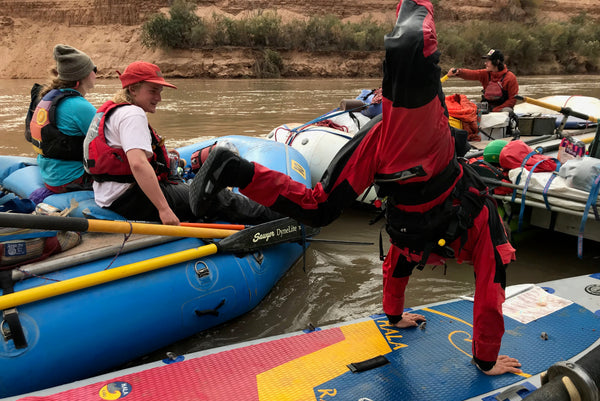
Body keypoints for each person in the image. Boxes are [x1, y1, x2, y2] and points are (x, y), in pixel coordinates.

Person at [189, 0, 522, 376]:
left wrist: (394, 316)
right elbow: (490, 289)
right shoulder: (481, 218)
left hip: (384, 142)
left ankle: (235, 170)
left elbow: (398, 259)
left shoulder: (412, 233)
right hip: (424, 152)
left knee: (319, 207)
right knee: (411, 53)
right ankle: (417, 9)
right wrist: (486, 360)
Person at [83, 61, 279, 226]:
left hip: (110, 197)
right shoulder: (132, 114)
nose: (158, 98)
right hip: (131, 199)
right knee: (215, 196)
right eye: (153, 91)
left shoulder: (114, 110)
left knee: (189, 187)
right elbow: (137, 164)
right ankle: (278, 219)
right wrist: (164, 209)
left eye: (159, 91)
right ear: (133, 89)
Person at [27, 44, 97, 194]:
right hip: (70, 180)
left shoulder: (47, 97)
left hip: (51, 176)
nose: (95, 72)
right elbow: (109, 141)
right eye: (93, 69)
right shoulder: (79, 106)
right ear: (80, 77)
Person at [447, 49, 519, 113]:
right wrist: (458, 72)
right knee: (468, 107)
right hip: (486, 106)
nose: (485, 63)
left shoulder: (510, 77)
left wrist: (496, 110)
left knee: (507, 111)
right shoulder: (485, 74)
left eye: (488, 61)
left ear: (496, 62)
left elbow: (512, 100)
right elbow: (472, 74)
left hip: (502, 108)